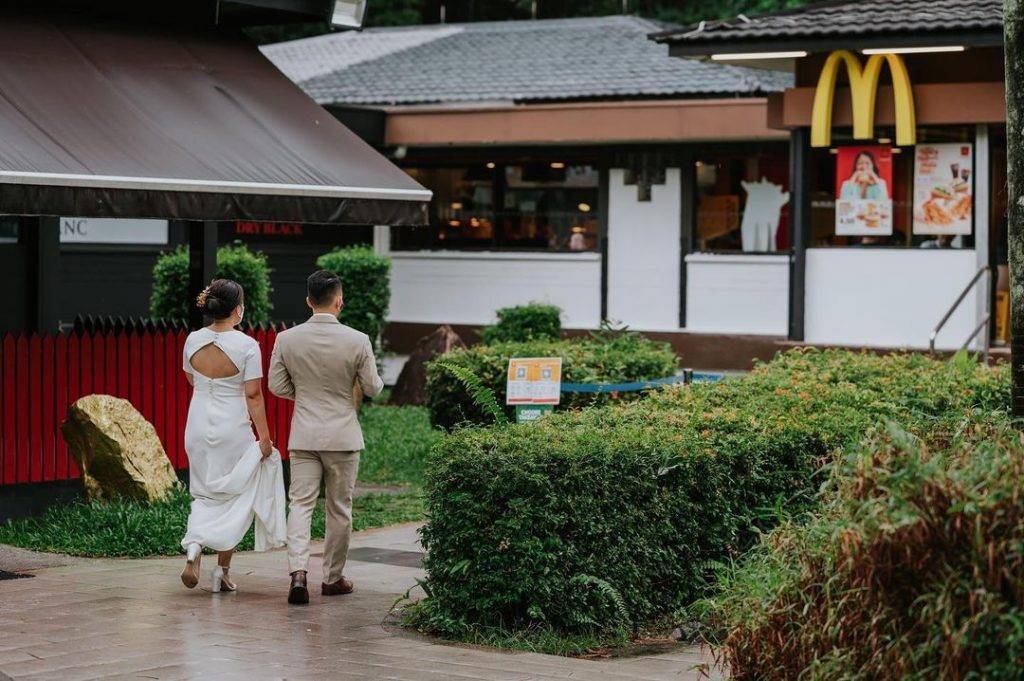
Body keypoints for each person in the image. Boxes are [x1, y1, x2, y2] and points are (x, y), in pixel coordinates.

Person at [269, 270, 384, 605]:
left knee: (300, 504)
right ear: (339, 300)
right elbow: (374, 387)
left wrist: (303, 395)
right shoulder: (358, 339)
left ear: (308, 300)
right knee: (339, 508)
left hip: (304, 434)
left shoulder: (286, 339)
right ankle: (332, 578)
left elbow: (277, 386)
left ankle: (298, 573)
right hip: (343, 437)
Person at [179, 279, 286, 592]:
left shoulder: (192, 340)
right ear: (238, 309)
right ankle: (222, 571)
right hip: (232, 426)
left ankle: (195, 548)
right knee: (234, 494)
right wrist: (264, 440)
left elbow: (191, 378)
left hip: (197, 422)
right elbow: (253, 395)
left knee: (204, 492)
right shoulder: (247, 345)